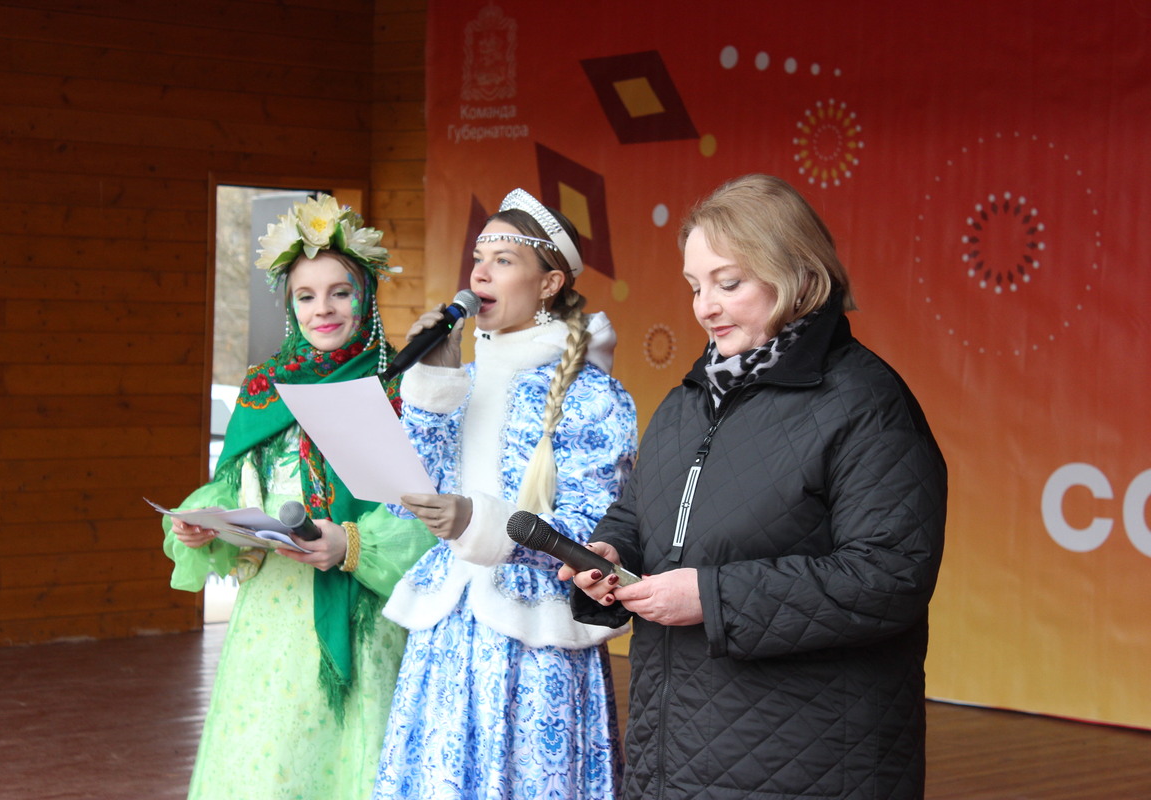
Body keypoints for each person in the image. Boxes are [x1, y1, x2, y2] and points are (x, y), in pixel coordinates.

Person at [565, 174, 948, 799]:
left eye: (729, 283)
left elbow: (889, 576)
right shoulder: (689, 400)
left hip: (811, 765)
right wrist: (611, 553)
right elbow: (641, 512)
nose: (704, 307)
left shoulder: (867, 403)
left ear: (796, 273)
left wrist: (712, 598)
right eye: (695, 286)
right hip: (676, 756)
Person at [161, 194, 435, 800]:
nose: (323, 309)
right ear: (290, 306)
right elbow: (235, 484)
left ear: (366, 297)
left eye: (340, 292)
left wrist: (352, 544)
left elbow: (425, 518)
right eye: (306, 297)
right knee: (266, 763)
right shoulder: (264, 386)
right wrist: (204, 523)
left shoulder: (403, 389)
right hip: (270, 617)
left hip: (363, 618)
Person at [372, 188, 639, 800]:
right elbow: (400, 497)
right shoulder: (459, 379)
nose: (480, 273)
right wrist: (431, 385)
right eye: (477, 258)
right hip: (447, 631)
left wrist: (480, 522)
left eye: (503, 259)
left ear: (549, 284)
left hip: (536, 643)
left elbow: (595, 534)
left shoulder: (593, 396)